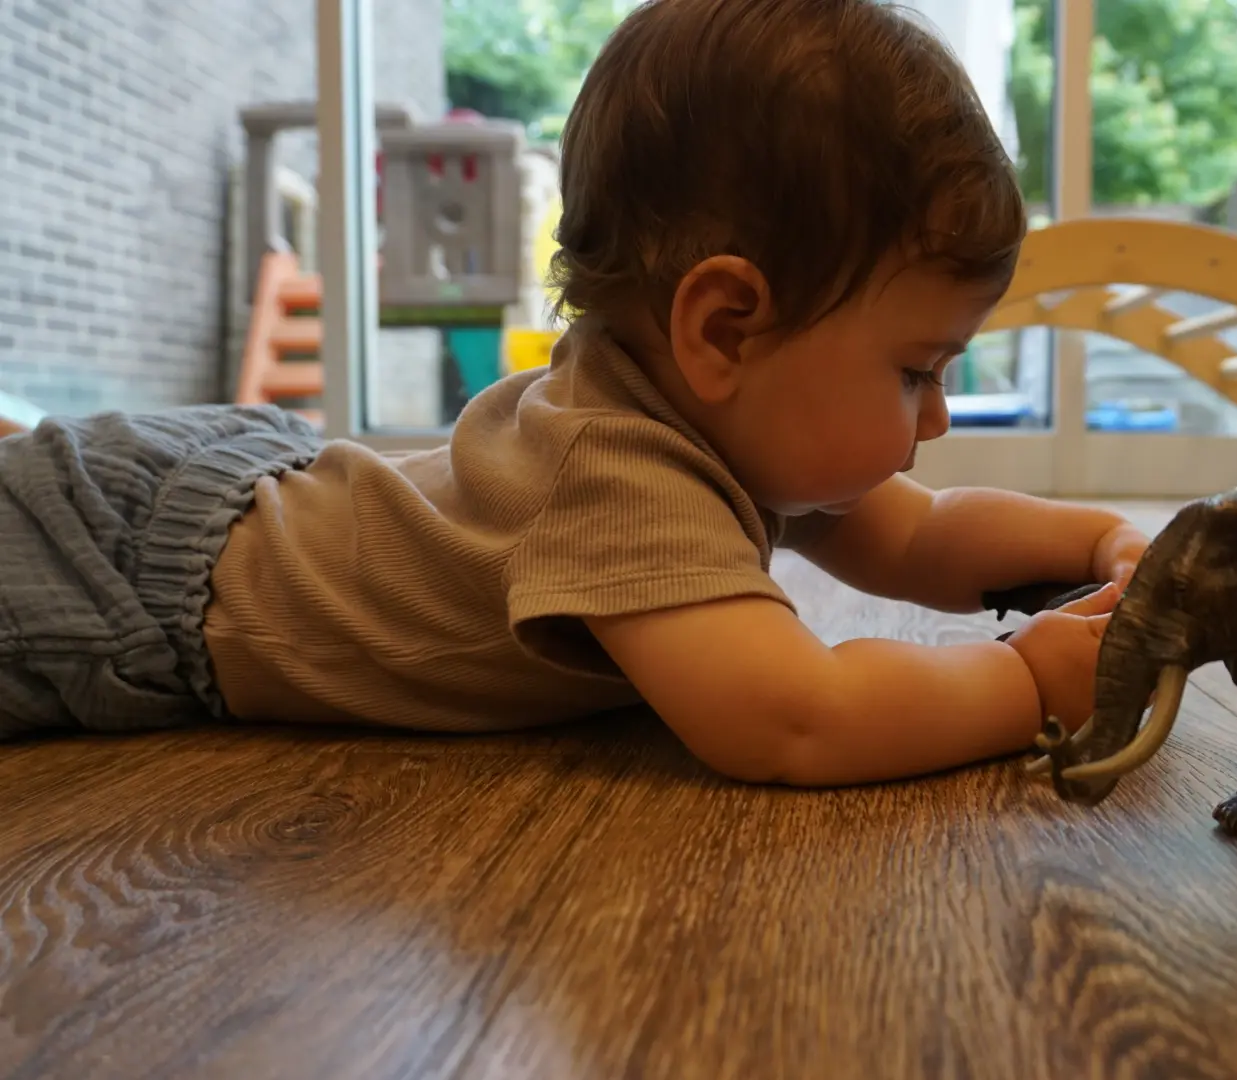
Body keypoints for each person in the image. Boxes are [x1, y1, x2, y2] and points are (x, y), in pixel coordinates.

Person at [0, 0, 1150, 786]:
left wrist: (1105, 542)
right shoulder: (617, 470)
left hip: (239, 487)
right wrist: (1022, 685)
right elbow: (794, 718)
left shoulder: (724, 421)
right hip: (137, 582)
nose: (936, 418)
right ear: (722, 327)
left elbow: (931, 541)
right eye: (914, 372)